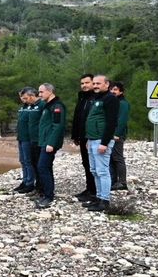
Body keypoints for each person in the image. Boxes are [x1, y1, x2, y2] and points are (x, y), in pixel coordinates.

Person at [82, 75, 119, 212]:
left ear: (106, 84)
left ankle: (105, 200)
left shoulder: (111, 99)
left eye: (99, 83)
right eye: (94, 83)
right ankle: (98, 197)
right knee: (94, 170)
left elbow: (111, 122)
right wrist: (88, 139)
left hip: (101, 140)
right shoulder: (97, 98)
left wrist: (104, 142)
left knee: (102, 171)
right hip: (92, 140)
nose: (96, 85)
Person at [35, 83, 66, 209]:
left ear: (49, 91)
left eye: (41, 92)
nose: (40, 94)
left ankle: (48, 196)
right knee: (46, 167)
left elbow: (58, 126)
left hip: (49, 143)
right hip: (44, 141)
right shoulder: (48, 106)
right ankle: (46, 193)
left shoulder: (57, 106)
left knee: (42, 167)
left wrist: (51, 143)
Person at [71, 74, 97, 204]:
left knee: (94, 166)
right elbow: (78, 118)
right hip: (82, 137)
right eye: (82, 83)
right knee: (86, 164)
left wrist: (89, 137)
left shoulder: (96, 99)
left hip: (91, 138)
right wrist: (75, 135)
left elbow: (94, 121)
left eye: (87, 83)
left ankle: (95, 192)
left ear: (93, 83)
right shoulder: (82, 98)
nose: (84, 86)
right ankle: (89, 189)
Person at [14, 88, 37, 193]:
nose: (23, 100)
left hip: (28, 138)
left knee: (28, 161)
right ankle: (25, 180)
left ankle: (30, 183)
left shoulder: (33, 107)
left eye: (25, 98)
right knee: (23, 160)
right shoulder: (24, 107)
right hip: (21, 137)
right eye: (21, 98)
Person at [110, 81, 130, 191]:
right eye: (111, 89)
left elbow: (122, 120)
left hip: (117, 135)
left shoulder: (122, 103)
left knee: (118, 158)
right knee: (112, 158)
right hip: (111, 134)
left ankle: (122, 182)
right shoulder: (115, 102)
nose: (112, 91)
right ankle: (113, 181)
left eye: (115, 89)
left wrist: (117, 134)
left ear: (121, 91)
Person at [26, 88, 45, 196]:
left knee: (40, 165)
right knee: (34, 164)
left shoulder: (41, 105)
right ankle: (37, 187)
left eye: (27, 98)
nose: (26, 101)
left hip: (39, 140)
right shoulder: (32, 106)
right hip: (32, 139)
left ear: (32, 96)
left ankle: (42, 189)